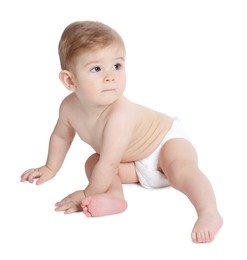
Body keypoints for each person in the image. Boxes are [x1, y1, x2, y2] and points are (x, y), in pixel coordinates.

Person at [20, 21, 223, 243]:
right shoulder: (68, 108)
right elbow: (61, 136)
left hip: (166, 143)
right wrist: (50, 168)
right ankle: (114, 197)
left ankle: (208, 212)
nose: (110, 76)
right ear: (70, 80)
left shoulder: (120, 114)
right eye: (96, 69)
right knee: (92, 162)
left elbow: (109, 163)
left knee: (180, 170)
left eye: (117, 66)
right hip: (134, 166)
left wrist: (87, 194)